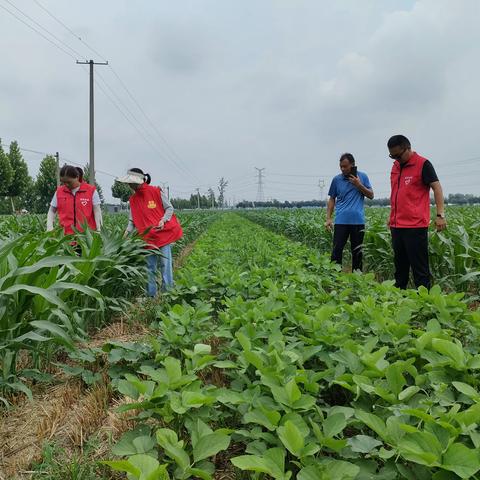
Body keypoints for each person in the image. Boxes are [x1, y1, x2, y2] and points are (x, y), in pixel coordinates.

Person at [388, 135, 446, 290]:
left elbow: (437, 188)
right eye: (392, 156)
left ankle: (424, 306)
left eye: (398, 155)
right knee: (400, 270)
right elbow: (395, 193)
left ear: (407, 148)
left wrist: (440, 215)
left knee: (420, 270)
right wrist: (391, 216)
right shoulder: (395, 167)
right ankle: (398, 302)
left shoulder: (423, 164)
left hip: (415, 226)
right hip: (396, 225)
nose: (396, 159)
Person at [117, 168, 183, 296]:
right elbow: (132, 221)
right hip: (146, 238)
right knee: (149, 268)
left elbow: (169, 208)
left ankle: (167, 293)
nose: (129, 185)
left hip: (162, 235)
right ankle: (151, 295)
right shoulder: (133, 199)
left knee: (165, 265)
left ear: (139, 181)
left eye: (131, 182)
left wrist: (163, 220)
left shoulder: (155, 191)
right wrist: (125, 234)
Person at [325, 153, 374, 271]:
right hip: (341, 221)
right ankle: (334, 277)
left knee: (357, 252)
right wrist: (328, 218)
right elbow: (332, 199)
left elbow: (371, 195)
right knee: (337, 250)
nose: (343, 169)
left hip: (358, 221)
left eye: (345, 166)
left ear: (352, 165)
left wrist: (359, 185)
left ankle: (357, 280)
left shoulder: (363, 177)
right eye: (341, 166)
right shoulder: (336, 179)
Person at [47, 164, 102, 234]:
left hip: (87, 237)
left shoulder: (91, 191)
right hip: (65, 237)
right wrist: (49, 227)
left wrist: (99, 229)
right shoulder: (59, 192)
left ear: (77, 177)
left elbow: (97, 211)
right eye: (63, 182)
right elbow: (52, 210)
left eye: (69, 182)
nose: (66, 184)